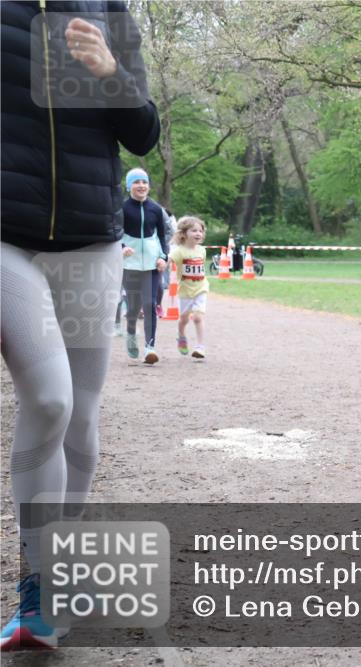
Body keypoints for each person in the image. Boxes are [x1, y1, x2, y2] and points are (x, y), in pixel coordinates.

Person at [1, 2, 160, 651]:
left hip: (92, 242)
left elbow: (144, 132)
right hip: (7, 238)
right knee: (49, 398)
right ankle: (38, 587)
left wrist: (111, 72)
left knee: (85, 420)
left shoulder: (109, 12)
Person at [121, 167, 168, 364]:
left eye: (144, 182)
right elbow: (114, 232)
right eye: (136, 182)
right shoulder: (122, 208)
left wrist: (163, 257)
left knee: (150, 304)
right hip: (129, 265)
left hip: (151, 264)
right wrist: (122, 247)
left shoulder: (156, 209)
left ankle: (150, 347)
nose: (141, 185)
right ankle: (131, 332)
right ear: (129, 186)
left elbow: (162, 237)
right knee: (133, 308)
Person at [169, 216, 210, 359]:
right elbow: (169, 260)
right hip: (185, 291)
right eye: (194, 231)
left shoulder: (202, 250)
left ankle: (200, 347)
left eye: (200, 231)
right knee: (184, 319)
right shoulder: (179, 251)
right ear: (184, 234)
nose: (198, 233)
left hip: (201, 288)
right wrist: (162, 263)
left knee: (198, 317)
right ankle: (181, 335)